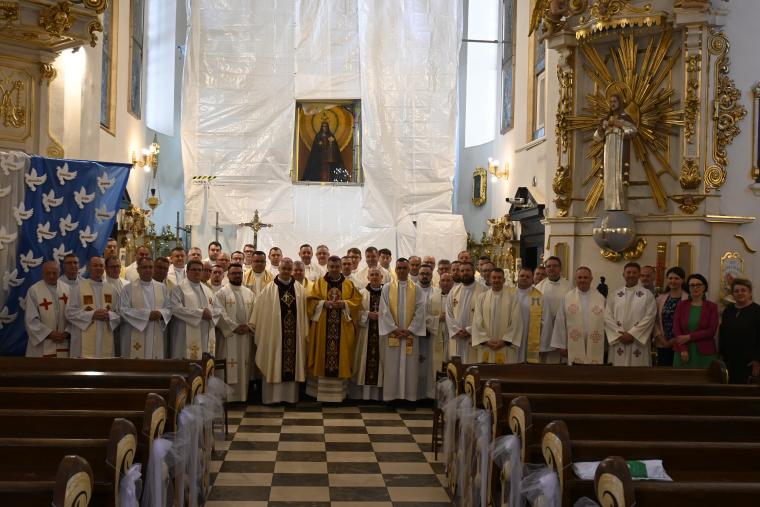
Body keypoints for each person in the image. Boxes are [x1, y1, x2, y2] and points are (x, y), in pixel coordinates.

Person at [253, 258, 309, 404]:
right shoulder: (268, 289)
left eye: (289, 269)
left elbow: (304, 315)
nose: (286, 271)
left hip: (294, 336)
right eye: (284, 268)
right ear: (278, 269)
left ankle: (290, 398)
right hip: (274, 336)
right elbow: (260, 314)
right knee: (274, 359)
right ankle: (272, 398)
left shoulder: (299, 289)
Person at [306, 255, 363, 402]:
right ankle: (321, 394)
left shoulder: (349, 284)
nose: (334, 269)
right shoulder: (319, 283)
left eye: (337, 266)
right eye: (331, 266)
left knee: (341, 356)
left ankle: (339, 395)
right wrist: (323, 304)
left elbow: (357, 302)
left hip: (343, 329)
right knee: (322, 355)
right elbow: (311, 302)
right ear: (327, 267)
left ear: (341, 267)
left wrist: (344, 304)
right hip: (322, 328)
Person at [379, 258, 426, 401]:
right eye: (399, 268)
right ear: (395, 269)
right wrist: (394, 329)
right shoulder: (387, 288)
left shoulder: (417, 289)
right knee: (392, 366)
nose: (401, 271)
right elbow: (384, 310)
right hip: (393, 334)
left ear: (409, 269)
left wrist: (410, 329)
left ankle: (409, 398)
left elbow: (420, 311)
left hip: (410, 335)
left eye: (404, 268)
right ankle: (391, 397)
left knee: (410, 367)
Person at [214, 263, 256, 402]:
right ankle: (227, 398)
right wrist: (234, 327)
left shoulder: (249, 293)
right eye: (234, 273)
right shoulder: (221, 293)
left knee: (243, 365)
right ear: (228, 275)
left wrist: (249, 326)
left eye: (239, 273)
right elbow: (219, 312)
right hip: (228, 337)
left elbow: (255, 313)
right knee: (228, 363)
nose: (237, 276)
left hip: (245, 337)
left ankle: (242, 397)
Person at [550, 267, 607, 365]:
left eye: (585, 277)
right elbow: (560, 322)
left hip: (595, 341)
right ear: (575, 279)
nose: (582, 280)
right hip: (573, 344)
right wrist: (561, 345)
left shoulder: (600, 298)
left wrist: (606, 344)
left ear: (591, 279)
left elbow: (607, 321)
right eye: (580, 277)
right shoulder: (567, 298)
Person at [66, 256, 120, 358]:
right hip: (82, 339)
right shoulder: (78, 288)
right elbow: (69, 313)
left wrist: (109, 315)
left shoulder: (112, 289)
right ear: (88, 268)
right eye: (95, 265)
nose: (98, 268)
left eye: (101, 266)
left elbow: (119, 313)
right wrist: (92, 314)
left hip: (105, 337)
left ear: (104, 268)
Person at [605, 262, 656, 366]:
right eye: (628, 272)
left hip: (637, 341)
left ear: (639, 275)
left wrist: (632, 334)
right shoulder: (614, 295)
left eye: (634, 272)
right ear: (623, 274)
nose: (631, 275)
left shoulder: (647, 295)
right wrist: (619, 334)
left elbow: (650, 317)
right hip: (618, 340)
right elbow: (607, 317)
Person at [594, 90, 638, 211]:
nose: (612, 104)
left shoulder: (625, 118)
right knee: (608, 179)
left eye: (614, 101)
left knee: (619, 178)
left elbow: (634, 131)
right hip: (608, 155)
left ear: (620, 103)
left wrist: (621, 125)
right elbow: (596, 137)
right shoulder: (606, 119)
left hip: (619, 153)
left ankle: (620, 206)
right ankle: (609, 206)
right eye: (611, 102)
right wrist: (602, 128)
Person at [119, 257, 171, 359]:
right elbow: (123, 310)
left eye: (150, 267)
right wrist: (147, 315)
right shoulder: (128, 288)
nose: (148, 270)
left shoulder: (162, 288)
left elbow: (169, 308)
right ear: (138, 269)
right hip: (134, 332)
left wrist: (161, 313)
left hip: (156, 331)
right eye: (144, 267)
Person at [170, 259, 221, 359]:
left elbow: (218, 309)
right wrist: (200, 313)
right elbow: (175, 309)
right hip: (185, 334)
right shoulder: (179, 289)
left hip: (206, 333)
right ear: (187, 271)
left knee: (205, 361)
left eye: (199, 270)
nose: (197, 272)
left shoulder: (208, 290)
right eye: (194, 269)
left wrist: (211, 314)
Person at [472, 268, 523, 364]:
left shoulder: (512, 298)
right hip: (486, 346)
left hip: (505, 347)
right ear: (490, 280)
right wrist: (485, 341)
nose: (496, 280)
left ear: (504, 280)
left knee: (504, 372)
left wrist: (505, 341)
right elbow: (477, 321)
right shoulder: (481, 298)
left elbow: (516, 322)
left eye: (499, 278)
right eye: (494, 277)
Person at [351, 266, 385, 401]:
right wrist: (366, 314)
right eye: (372, 275)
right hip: (365, 334)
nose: (375, 277)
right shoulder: (361, 293)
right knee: (363, 362)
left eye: (377, 275)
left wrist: (383, 315)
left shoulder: (387, 293)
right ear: (368, 277)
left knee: (381, 362)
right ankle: (363, 396)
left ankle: (379, 397)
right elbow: (355, 313)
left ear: (382, 277)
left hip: (382, 335)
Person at [24, 260, 71, 357]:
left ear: (59, 273)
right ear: (42, 273)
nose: (51, 276)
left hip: (63, 341)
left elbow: (72, 315)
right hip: (42, 344)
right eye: (48, 273)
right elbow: (30, 319)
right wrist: (49, 334)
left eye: (54, 273)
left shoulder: (67, 289)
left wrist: (67, 332)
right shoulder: (34, 290)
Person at [672, 274, 719, 368]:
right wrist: (683, 349)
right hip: (683, 351)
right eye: (692, 285)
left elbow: (711, 331)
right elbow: (676, 328)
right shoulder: (681, 305)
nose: (695, 288)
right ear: (688, 288)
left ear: (704, 287)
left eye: (698, 285)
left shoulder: (712, 307)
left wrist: (689, 337)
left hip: (705, 353)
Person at [719, 279, 760, 383]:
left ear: (750, 292)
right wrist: (721, 355)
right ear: (733, 294)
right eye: (736, 291)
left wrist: (757, 360)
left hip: (750, 362)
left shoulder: (757, 311)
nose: (740, 293)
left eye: (743, 290)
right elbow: (722, 333)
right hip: (729, 360)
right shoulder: (728, 310)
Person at [445, 261, 486, 362]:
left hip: (474, 336)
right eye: (462, 271)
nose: (465, 273)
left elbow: (486, 315)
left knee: (473, 366)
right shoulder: (454, 291)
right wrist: (457, 330)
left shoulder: (484, 291)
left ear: (473, 272)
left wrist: (470, 330)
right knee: (457, 367)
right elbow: (449, 314)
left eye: (468, 270)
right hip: (457, 337)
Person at [536, 256, 571, 363]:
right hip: (544, 329)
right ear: (546, 269)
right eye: (548, 266)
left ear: (560, 268)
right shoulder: (538, 288)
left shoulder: (569, 287)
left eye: (555, 266)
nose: (551, 268)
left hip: (562, 329)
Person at [654, 267, 688, 366]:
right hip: (663, 342)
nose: (673, 281)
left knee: (679, 371)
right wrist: (660, 338)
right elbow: (654, 321)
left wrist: (676, 339)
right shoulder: (660, 299)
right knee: (664, 371)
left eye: (676, 278)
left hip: (682, 342)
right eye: (670, 278)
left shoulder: (688, 298)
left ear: (683, 280)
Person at [514, 267, 547, 363]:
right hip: (511, 336)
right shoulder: (509, 294)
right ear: (518, 277)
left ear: (532, 279)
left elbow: (545, 321)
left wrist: (542, 345)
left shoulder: (539, 297)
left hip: (530, 338)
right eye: (522, 276)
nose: (524, 278)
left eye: (528, 277)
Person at [415, 264, 436, 398]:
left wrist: (428, 328)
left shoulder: (437, 292)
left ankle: (427, 395)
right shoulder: (412, 291)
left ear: (432, 275)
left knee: (428, 366)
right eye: (422, 273)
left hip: (431, 335)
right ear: (418, 275)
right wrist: (420, 328)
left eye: (427, 274)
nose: (424, 276)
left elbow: (438, 314)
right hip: (414, 335)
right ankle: (414, 395)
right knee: (415, 365)